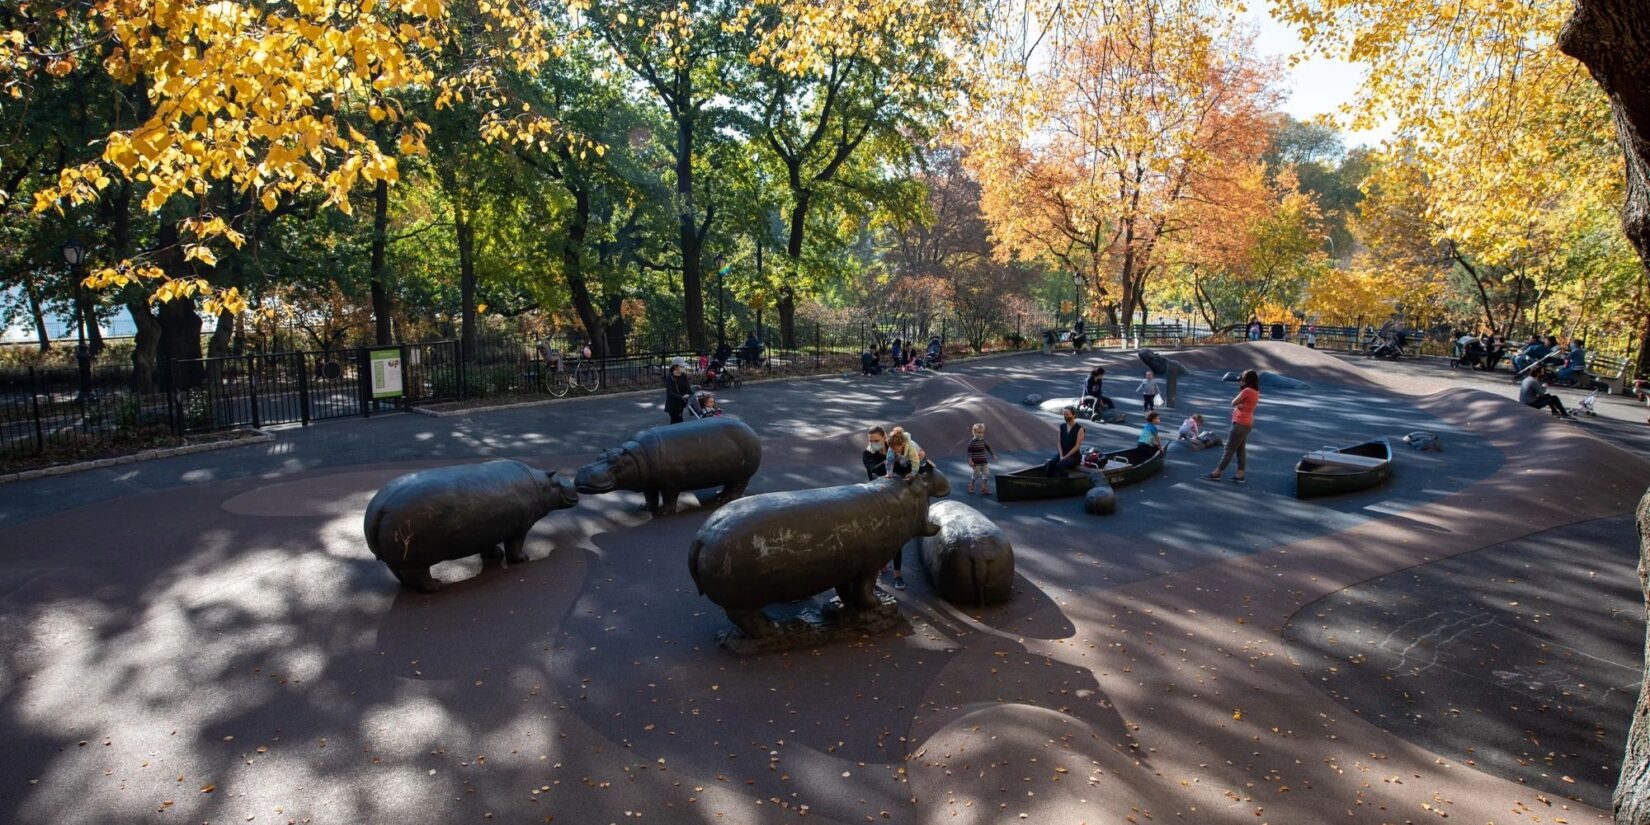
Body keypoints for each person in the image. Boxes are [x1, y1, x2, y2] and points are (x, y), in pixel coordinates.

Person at [1203, 369, 1260, 484]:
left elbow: (1233, 402)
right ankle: (1240, 475)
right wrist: (1240, 404)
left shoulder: (1247, 391)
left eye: (1243, 377)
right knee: (1240, 449)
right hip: (1247, 423)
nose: (1241, 379)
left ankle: (1217, 473)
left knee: (1229, 449)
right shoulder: (1255, 391)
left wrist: (1239, 403)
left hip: (1240, 424)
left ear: (1247, 380)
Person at [1043, 407, 1086, 477]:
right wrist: (1061, 455)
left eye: (1067, 414)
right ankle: (1048, 481)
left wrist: (1065, 457)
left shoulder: (1080, 429)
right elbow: (1059, 442)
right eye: (1064, 415)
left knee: (1060, 465)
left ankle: (1066, 482)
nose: (1065, 416)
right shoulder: (1062, 426)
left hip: (1074, 456)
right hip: (1062, 454)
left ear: (1074, 415)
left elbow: (1077, 446)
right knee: (1050, 464)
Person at [967, 422, 998, 496]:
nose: (980, 434)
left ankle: (984, 488)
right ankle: (971, 486)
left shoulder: (983, 440)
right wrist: (970, 460)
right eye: (978, 432)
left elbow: (988, 448)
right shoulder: (972, 442)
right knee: (976, 475)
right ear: (974, 432)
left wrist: (993, 455)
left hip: (984, 461)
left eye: (982, 432)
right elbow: (969, 452)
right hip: (976, 462)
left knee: (986, 474)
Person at [663, 357, 693, 423]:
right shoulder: (669, 377)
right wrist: (682, 397)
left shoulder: (683, 375)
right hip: (673, 405)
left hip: (681, 404)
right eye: (682, 366)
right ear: (675, 366)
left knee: (680, 420)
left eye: (683, 366)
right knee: (676, 421)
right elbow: (670, 393)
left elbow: (688, 388)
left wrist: (697, 394)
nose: (683, 367)